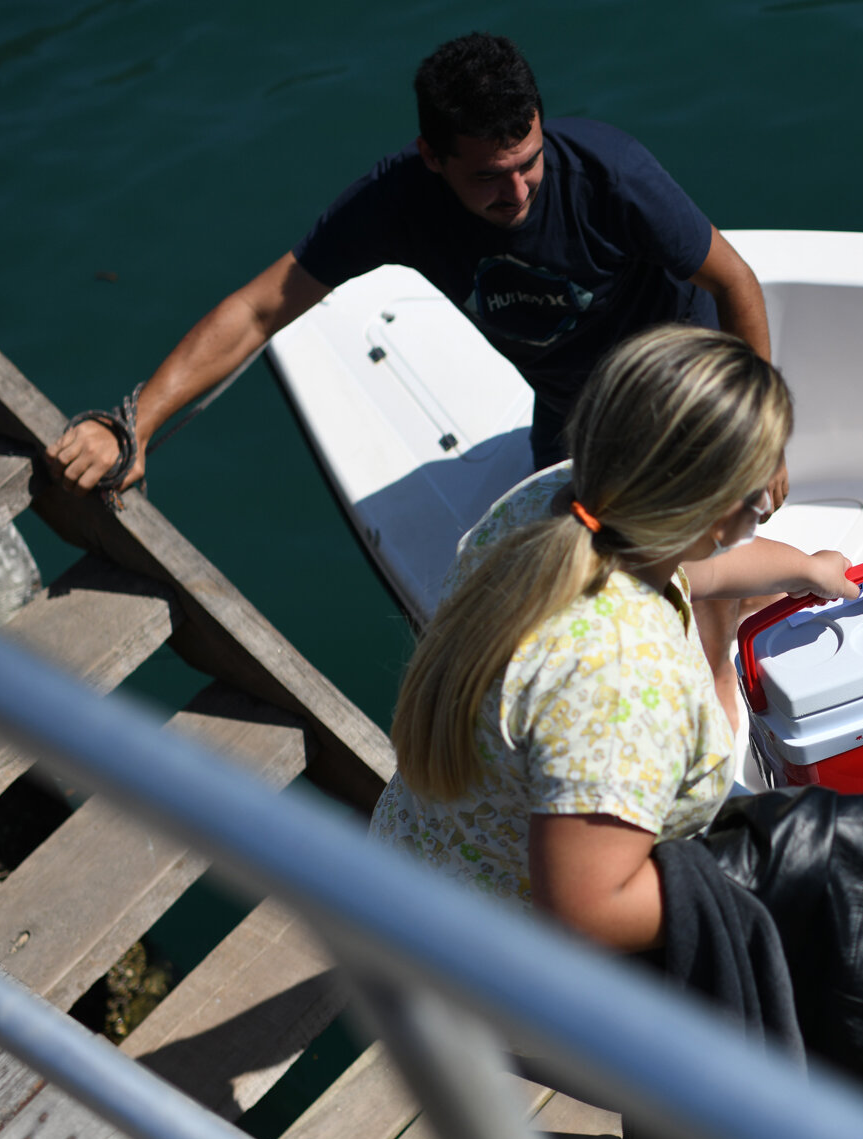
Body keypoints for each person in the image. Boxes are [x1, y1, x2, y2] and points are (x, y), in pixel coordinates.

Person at [370, 324, 863, 1139]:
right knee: (723, 1102)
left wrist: (798, 566)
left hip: (420, 882)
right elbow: (588, 904)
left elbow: (691, 568)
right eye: (761, 487)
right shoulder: (622, 674)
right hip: (508, 966)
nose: (776, 488)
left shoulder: (559, 506)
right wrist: (753, 883)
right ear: (716, 505)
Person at [45, 31, 774, 721]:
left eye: (528, 162)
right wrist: (135, 425)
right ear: (432, 156)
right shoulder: (396, 202)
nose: (517, 192)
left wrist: (760, 441)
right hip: (573, 406)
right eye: (488, 177)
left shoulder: (609, 173)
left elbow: (734, 280)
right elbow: (260, 307)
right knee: (562, 574)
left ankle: (719, 648)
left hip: (675, 386)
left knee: (658, 548)